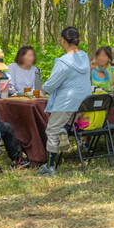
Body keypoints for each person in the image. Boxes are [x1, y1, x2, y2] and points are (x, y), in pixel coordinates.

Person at [40, 27, 92, 176]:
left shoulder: (63, 62)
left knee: (51, 129)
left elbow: (51, 85)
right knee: (62, 125)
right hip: (84, 102)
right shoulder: (84, 56)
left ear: (63, 40)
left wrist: (44, 86)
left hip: (67, 102)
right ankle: (66, 128)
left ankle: (50, 167)